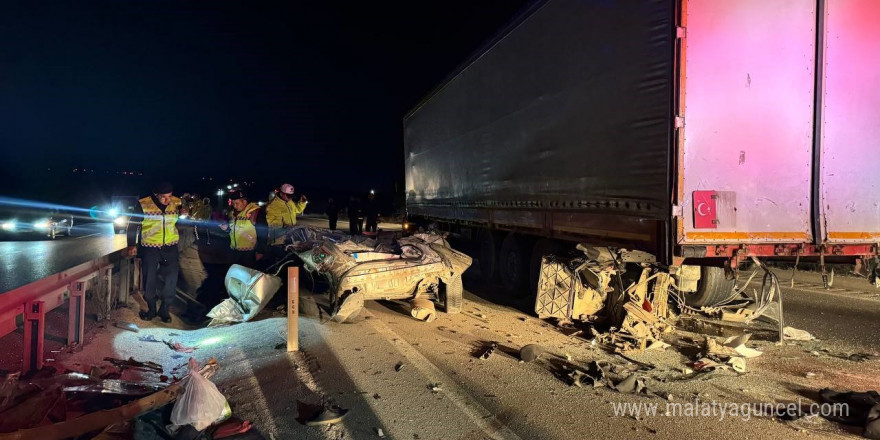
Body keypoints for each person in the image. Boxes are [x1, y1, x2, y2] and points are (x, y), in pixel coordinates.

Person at [126, 182, 187, 323]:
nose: (168, 200)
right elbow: (132, 225)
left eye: (170, 196)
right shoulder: (143, 204)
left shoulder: (177, 202)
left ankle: (164, 309)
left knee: (171, 280)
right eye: (164, 197)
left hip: (170, 247)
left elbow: (181, 222)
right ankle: (151, 309)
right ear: (156, 195)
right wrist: (131, 244)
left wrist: (184, 215)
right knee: (149, 280)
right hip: (150, 247)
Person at [219, 190, 265, 268]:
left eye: (237, 203)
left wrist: (260, 251)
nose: (234, 206)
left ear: (244, 202)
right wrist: (227, 229)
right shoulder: (233, 213)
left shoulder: (255, 212)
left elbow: (263, 233)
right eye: (233, 203)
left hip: (250, 252)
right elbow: (233, 229)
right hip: (235, 251)